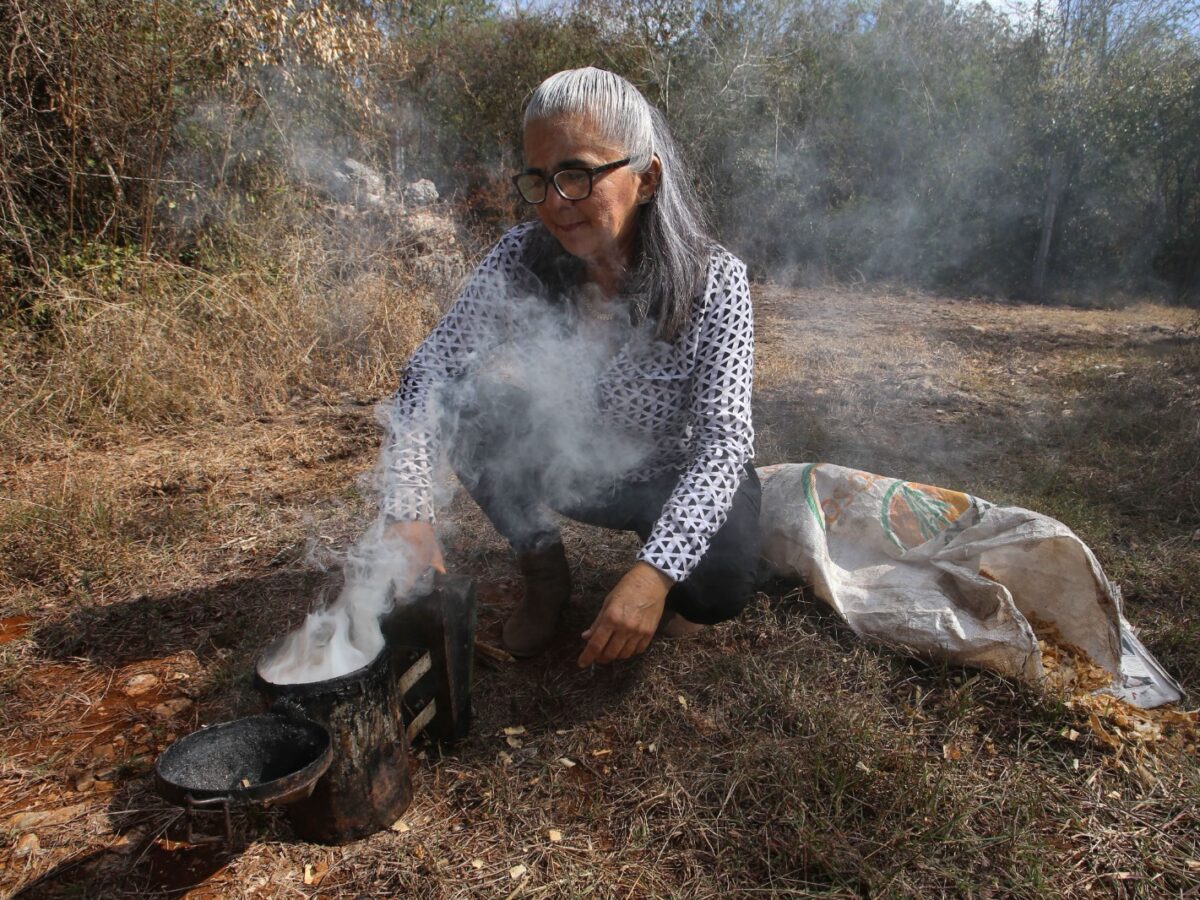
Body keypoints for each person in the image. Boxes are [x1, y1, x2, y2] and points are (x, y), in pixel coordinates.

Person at [382, 67, 759, 667]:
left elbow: (723, 442)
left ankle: (679, 601)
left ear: (647, 178)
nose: (556, 202)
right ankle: (545, 572)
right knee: (472, 407)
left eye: (578, 174)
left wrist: (654, 576)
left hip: (667, 478)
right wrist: (407, 512)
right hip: (570, 465)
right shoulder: (518, 257)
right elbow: (429, 372)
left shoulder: (714, 281)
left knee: (725, 574)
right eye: (539, 179)